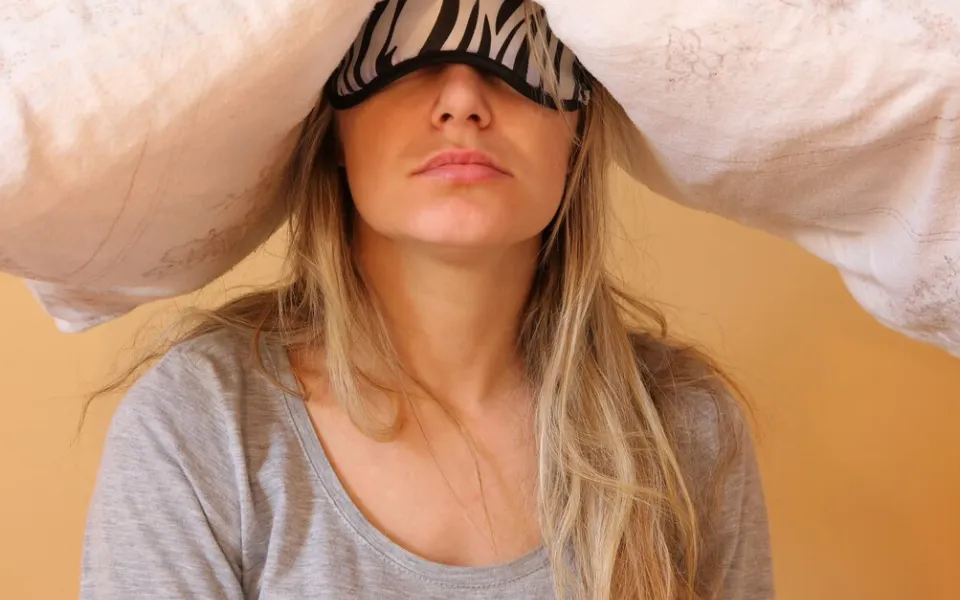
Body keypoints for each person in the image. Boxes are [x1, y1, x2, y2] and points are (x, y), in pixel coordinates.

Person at [79, 1, 773, 598]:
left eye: (520, 45)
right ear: (334, 127)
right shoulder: (202, 433)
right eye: (405, 50)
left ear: (577, 131)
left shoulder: (683, 430)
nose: (463, 100)